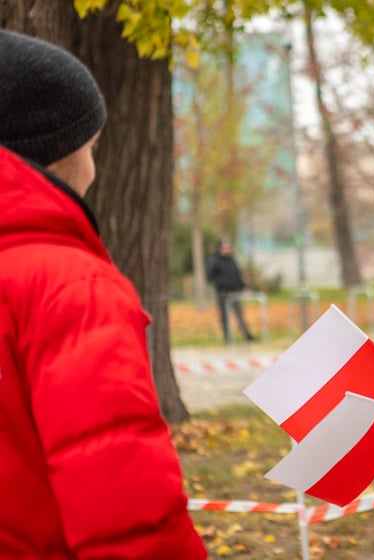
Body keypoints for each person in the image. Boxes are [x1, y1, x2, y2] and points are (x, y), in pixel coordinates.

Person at [0, 30, 206, 558]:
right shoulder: (71, 287)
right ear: (53, 155)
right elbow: (130, 516)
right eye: (91, 148)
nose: (94, 167)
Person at [207, 239, 256, 343]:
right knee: (224, 316)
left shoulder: (231, 260)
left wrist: (244, 286)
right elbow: (210, 276)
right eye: (225, 248)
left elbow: (237, 274)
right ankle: (227, 338)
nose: (227, 250)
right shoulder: (215, 260)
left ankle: (247, 335)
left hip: (234, 292)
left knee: (240, 314)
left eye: (228, 248)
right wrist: (220, 284)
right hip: (222, 293)